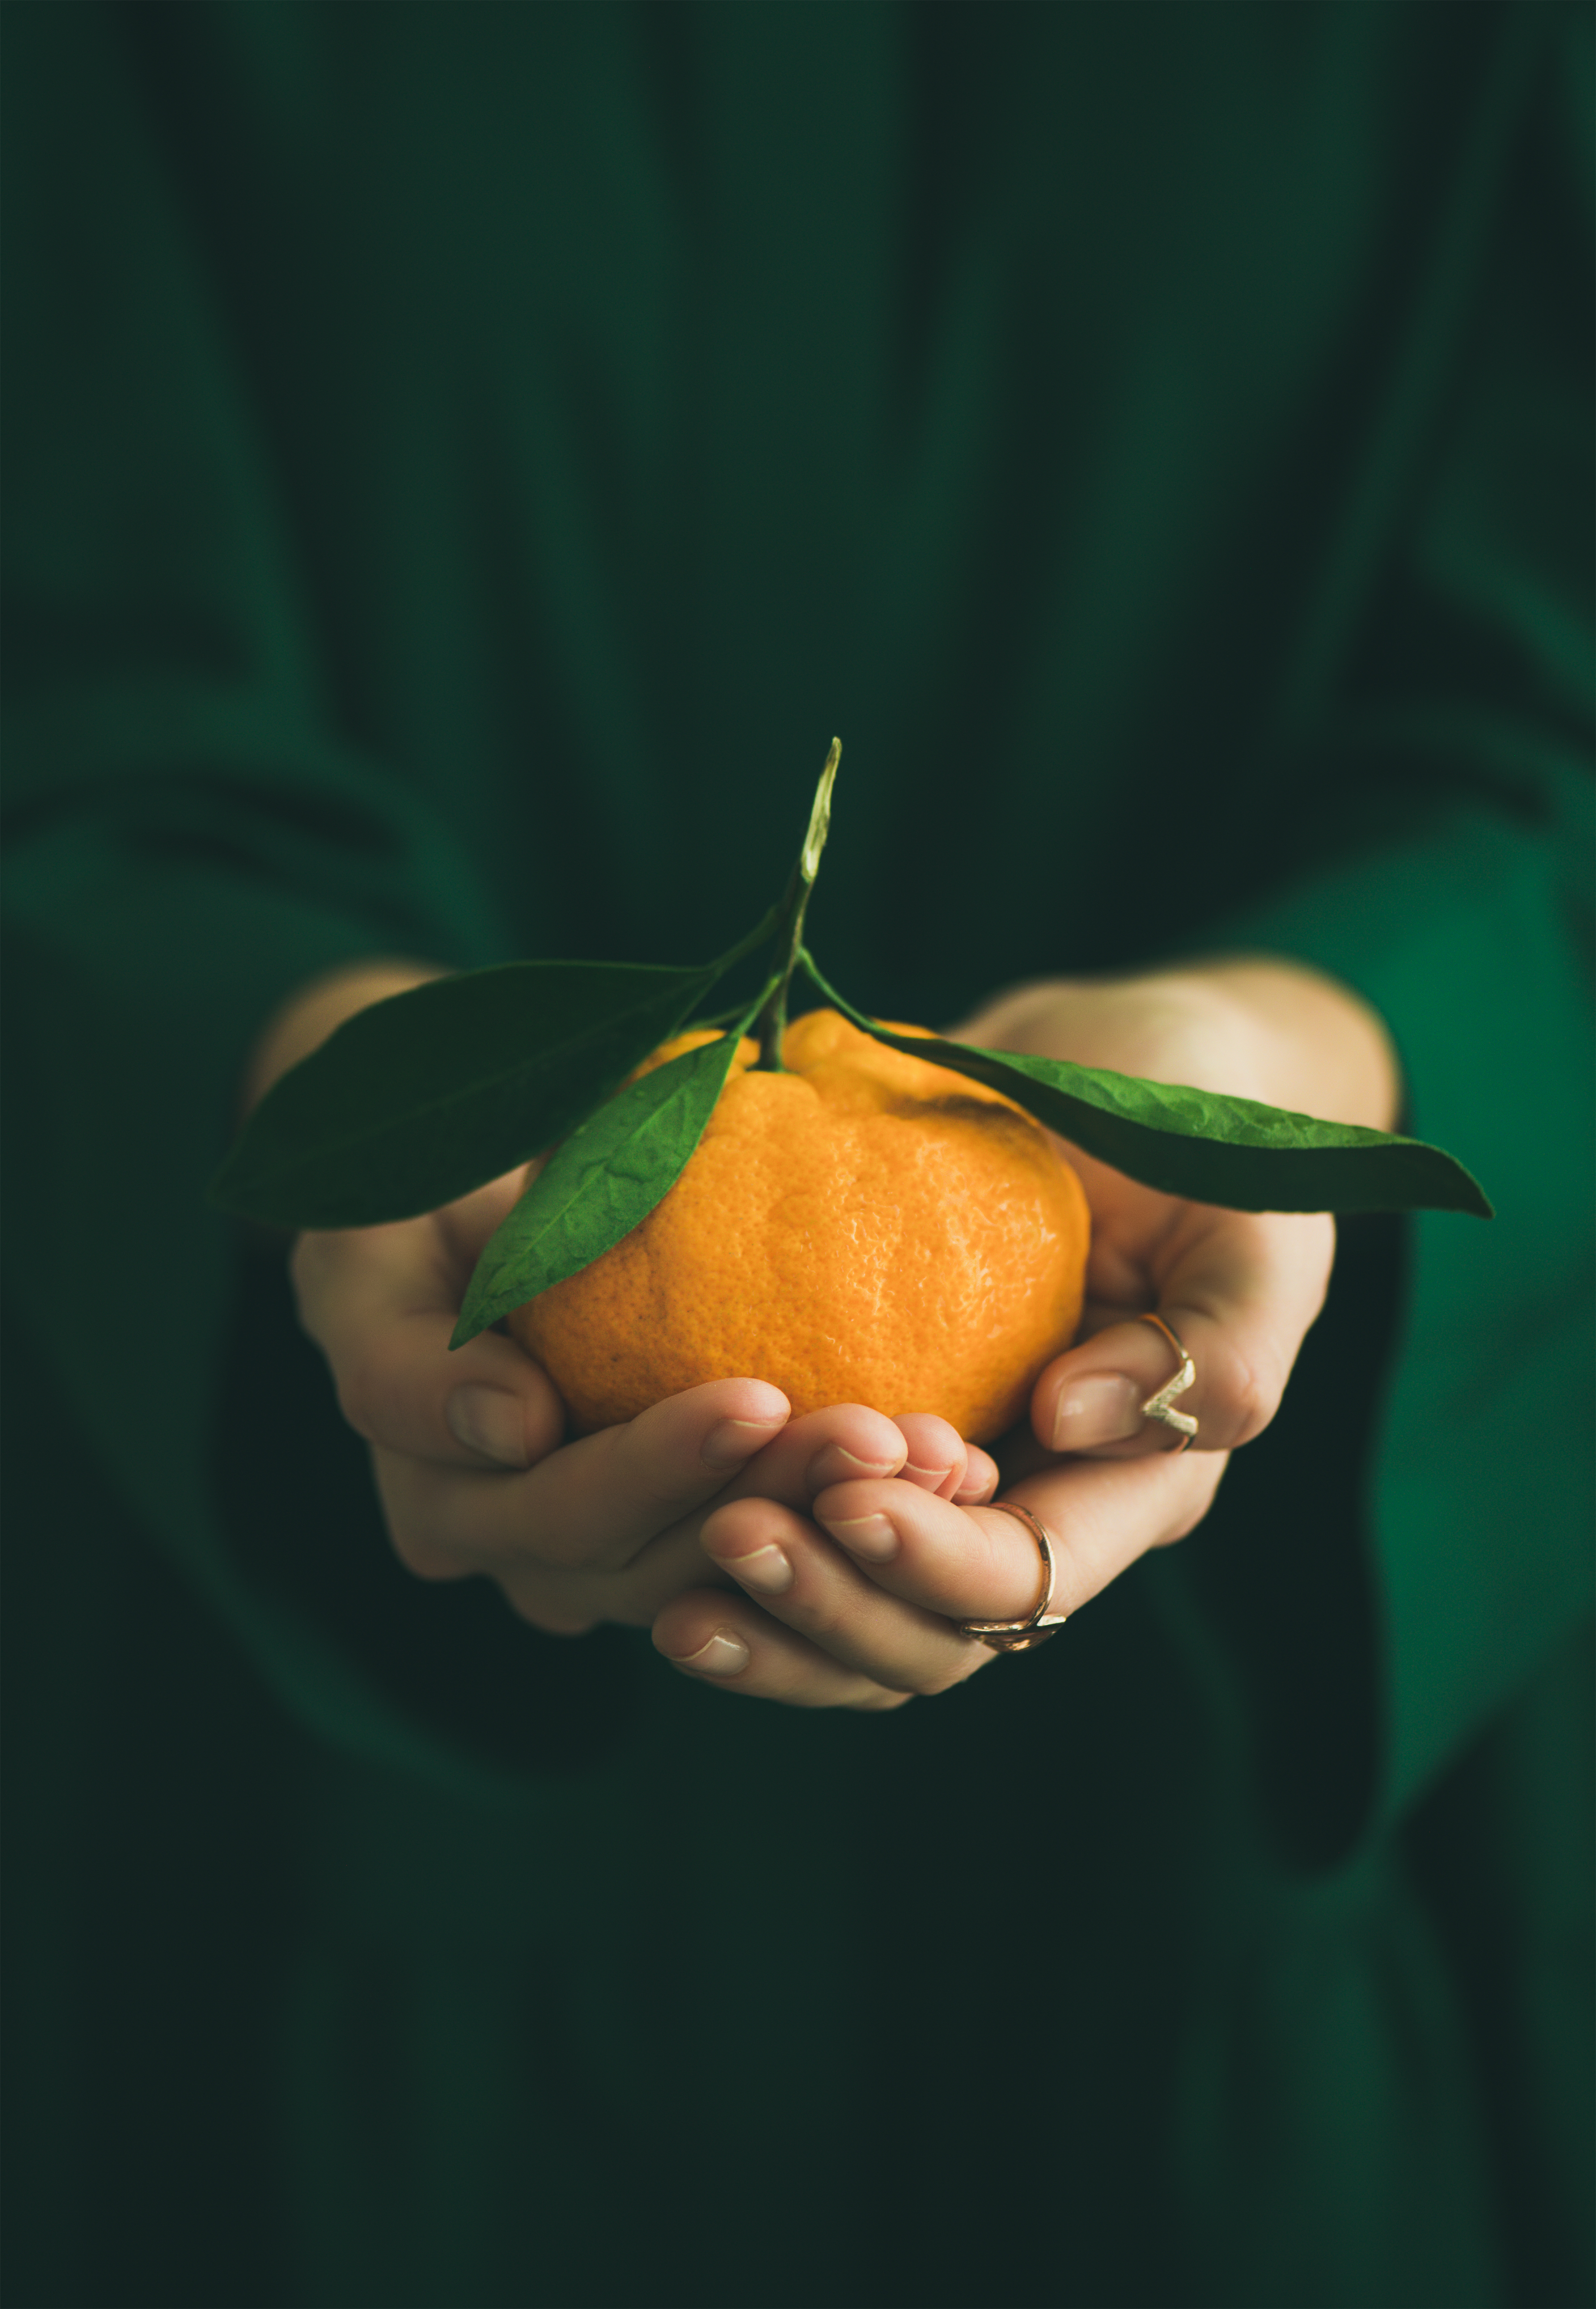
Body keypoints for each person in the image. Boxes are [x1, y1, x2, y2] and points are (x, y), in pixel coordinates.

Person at [3, 6, 1590, 2308]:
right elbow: (56, 670)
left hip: (1254, 1919)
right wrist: (309, 1068)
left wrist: (1310, 1042)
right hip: (287, 1877)